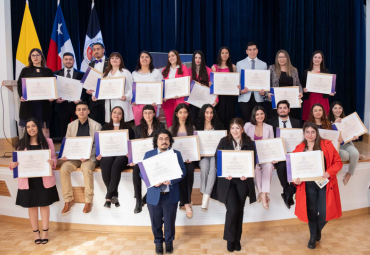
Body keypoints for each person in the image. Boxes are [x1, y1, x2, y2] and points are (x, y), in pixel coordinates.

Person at [9, 118, 59, 244]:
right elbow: (14, 161)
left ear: (38, 127)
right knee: (31, 207)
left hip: (44, 179)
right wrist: (12, 165)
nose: (31, 129)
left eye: (33, 126)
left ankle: (46, 232)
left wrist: (53, 162)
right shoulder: (20, 144)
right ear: (26, 129)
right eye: (28, 127)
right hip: (28, 180)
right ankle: (36, 234)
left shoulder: (48, 142)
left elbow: (53, 157)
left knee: (44, 205)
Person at [293, 122, 343, 249]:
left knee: (326, 211)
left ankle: (317, 230)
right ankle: (313, 237)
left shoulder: (326, 144)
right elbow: (293, 170)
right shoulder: (299, 148)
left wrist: (329, 172)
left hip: (324, 183)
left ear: (317, 133)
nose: (310, 135)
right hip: (308, 185)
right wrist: (296, 180)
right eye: (307, 132)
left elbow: (338, 163)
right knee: (311, 211)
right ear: (304, 133)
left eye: (313, 132)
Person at [211, 118, 256, 252]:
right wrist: (224, 173)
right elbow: (217, 159)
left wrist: (247, 173)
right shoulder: (224, 141)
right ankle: (230, 240)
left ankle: (237, 239)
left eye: (237, 128)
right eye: (232, 128)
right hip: (228, 181)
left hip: (242, 180)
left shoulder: (249, 142)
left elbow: (253, 161)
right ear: (229, 130)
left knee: (240, 210)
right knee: (233, 209)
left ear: (242, 129)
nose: (235, 131)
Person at [141, 129, 186, 255]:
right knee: (155, 222)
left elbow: (183, 171)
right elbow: (142, 173)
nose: (164, 141)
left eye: (166, 139)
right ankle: (158, 242)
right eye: (161, 139)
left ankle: (169, 242)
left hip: (170, 195)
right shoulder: (148, 154)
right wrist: (152, 181)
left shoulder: (176, 154)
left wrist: (171, 181)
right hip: (154, 195)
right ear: (156, 141)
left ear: (170, 141)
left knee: (170, 221)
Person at [59, 101, 102, 214]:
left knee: (86, 168)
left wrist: (87, 155)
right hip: (74, 157)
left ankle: (88, 201)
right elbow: (68, 143)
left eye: (84, 109)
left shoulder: (96, 125)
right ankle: (68, 200)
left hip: (90, 157)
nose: (81, 111)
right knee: (64, 168)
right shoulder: (71, 126)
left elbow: (97, 145)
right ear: (76, 112)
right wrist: (65, 155)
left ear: (88, 111)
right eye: (79, 109)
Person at [96, 106, 134, 208]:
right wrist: (99, 153)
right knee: (105, 165)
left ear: (122, 116)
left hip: (123, 154)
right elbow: (100, 142)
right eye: (114, 112)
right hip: (108, 153)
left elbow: (132, 142)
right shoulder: (105, 127)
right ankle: (114, 195)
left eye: (119, 113)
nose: (116, 114)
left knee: (115, 166)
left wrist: (129, 152)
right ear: (111, 114)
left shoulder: (127, 127)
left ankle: (108, 197)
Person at [129, 105, 165, 213]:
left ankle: (148, 194)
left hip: (156, 157)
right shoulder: (138, 128)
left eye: (150, 112)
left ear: (154, 114)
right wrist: (131, 159)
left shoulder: (160, 126)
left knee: (153, 171)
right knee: (135, 170)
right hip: (142, 158)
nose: (148, 115)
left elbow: (163, 142)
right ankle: (138, 200)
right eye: (145, 113)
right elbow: (134, 145)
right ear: (143, 114)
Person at [267, 100, 301, 208]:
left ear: (289, 109)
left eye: (284, 107)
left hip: (295, 154)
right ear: (277, 110)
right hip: (279, 155)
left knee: (301, 168)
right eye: (280, 108)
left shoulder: (297, 123)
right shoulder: (270, 124)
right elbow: (269, 141)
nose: (282, 110)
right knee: (281, 166)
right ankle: (288, 191)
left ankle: (288, 192)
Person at [17, 48, 55, 138]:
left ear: (42, 57)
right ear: (30, 58)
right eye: (33, 55)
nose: (35, 57)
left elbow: (52, 86)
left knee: (45, 129)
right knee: (28, 129)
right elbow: (20, 85)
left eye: (37, 55)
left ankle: (46, 150)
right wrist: (21, 96)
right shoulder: (25, 70)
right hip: (29, 104)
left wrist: (53, 96)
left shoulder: (48, 71)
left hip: (43, 105)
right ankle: (28, 150)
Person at [243, 106, 275, 209]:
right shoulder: (247, 126)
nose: (260, 116)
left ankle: (263, 194)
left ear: (264, 115)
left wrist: (273, 158)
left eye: (262, 113)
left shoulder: (269, 127)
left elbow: (272, 144)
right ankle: (263, 194)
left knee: (269, 166)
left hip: (265, 156)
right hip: (252, 156)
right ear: (254, 116)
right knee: (255, 168)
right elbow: (243, 142)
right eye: (257, 114)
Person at [194, 104, 224, 210]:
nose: (209, 115)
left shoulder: (219, 127)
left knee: (213, 165)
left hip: (214, 156)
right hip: (202, 156)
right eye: (207, 112)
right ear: (203, 113)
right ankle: (205, 193)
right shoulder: (197, 127)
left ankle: (206, 196)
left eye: (211, 112)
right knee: (205, 165)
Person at [169, 103, 196, 218]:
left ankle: (185, 202)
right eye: (180, 112)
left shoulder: (193, 128)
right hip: (176, 159)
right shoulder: (171, 129)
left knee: (189, 170)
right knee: (180, 172)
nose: (183, 114)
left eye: (185, 112)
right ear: (176, 114)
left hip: (189, 159)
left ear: (188, 114)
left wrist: (192, 157)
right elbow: (169, 147)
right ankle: (186, 203)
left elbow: (195, 145)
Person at [91, 52, 134, 123]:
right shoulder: (106, 73)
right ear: (109, 60)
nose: (114, 60)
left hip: (121, 102)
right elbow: (101, 88)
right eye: (112, 58)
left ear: (121, 60)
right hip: (109, 103)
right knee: (111, 124)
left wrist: (126, 97)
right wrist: (94, 95)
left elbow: (131, 89)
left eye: (117, 58)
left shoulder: (125, 72)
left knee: (122, 123)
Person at [328, 101, 364, 185]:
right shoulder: (327, 121)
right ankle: (358, 156)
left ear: (342, 109)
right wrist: (334, 124)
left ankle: (349, 174)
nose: (338, 110)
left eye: (340, 108)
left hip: (346, 144)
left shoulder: (346, 120)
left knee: (354, 153)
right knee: (345, 156)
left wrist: (354, 136)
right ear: (331, 110)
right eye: (335, 108)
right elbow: (327, 135)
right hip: (336, 146)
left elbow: (350, 134)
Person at [54, 52, 86, 138]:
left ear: (74, 61)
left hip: (76, 105)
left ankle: (78, 145)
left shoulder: (81, 74)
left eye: (70, 59)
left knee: (78, 127)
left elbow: (84, 91)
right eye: (66, 59)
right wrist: (55, 99)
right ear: (63, 61)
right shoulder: (56, 74)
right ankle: (64, 147)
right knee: (63, 128)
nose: (68, 61)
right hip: (62, 105)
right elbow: (53, 89)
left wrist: (80, 100)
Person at [266, 50, 303, 120]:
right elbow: (267, 83)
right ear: (277, 59)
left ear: (287, 58)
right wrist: (267, 94)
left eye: (283, 57)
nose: (281, 59)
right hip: (276, 102)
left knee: (290, 122)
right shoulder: (271, 68)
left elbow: (298, 84)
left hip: (291, 103)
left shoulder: (294, 70)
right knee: (275, 122)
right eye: (279, 57)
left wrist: (300, 92)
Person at [237, 42, 268, 124]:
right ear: (246, 51)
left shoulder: (263, 65)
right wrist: (240, 91)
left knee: (258, 121)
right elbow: (237, 82)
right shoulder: (239, 64)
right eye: (250, 50)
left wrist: (264, 92)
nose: (252, 52)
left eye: (254, 49)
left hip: (258, 97)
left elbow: (265, 82)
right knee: (246, 121)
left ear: (257, 50)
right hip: (244, 97)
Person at [132, 51, 163, 125]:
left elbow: (161, 87)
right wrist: (132, 100)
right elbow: (131, 89)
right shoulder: (134, 73)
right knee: (139, 127)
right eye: (142, 57)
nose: (144, 59)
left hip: (152, 104)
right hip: (138, 104)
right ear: (139, 60)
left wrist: (158, 100)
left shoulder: (156, 72)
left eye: (147, 57)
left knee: (152, 126)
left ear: (150, 60)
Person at [301, 51, 334, 121]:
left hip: (322, 98)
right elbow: (302, 85)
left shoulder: (326, 71)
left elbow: (329, 85)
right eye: (315, 57)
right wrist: (303, 89)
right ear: (312, 58)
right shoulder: (306, 72)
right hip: (310, 98)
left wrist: (331, 90)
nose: (317, 59)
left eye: (319, 57)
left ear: (322, 60)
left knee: (323, 118)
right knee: (310, 119)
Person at [162, 50, 190, 127]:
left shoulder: (183, 68)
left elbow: (187, 84)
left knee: (180, 122)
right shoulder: (164, 71)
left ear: (177, 56)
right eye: (169, 56)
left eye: (173, 55)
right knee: (170, 122)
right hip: (168, 101)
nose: (171, 58)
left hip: (180, 99)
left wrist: (180, 93)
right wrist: (163, 96)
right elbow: (162, 86)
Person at [211, 46, 237, 128]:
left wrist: (237, 86)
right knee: (219, 118)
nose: (224, 55)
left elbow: (235, 82)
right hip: (219, 98)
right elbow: (212, 85)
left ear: (229, 55)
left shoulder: (233, 67)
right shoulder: (214, 67)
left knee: (230, 118)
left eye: (226, 53)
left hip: (230, 97)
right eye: (223, 53)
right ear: (220, 54)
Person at [189, 50, 214, 122]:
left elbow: (213, 86)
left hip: (205, 100)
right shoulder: (189, 70)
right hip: (193, 101)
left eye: (199, 58)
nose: (197, 60)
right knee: (193, 120)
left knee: (204, 121)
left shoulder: (208, 70)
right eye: (196, 57)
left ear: (202, 59)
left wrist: (215, 100)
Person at [87, 43, 109, 126]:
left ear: (103, 50)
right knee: (94, 121)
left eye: (98, 49)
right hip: (94, 97)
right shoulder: (91, 64)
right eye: (94, 50)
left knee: (106, 121)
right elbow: (89, 80)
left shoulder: (110, 62)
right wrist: (87, 89)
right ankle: (95, 139)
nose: (96, 51)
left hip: (106, 97)